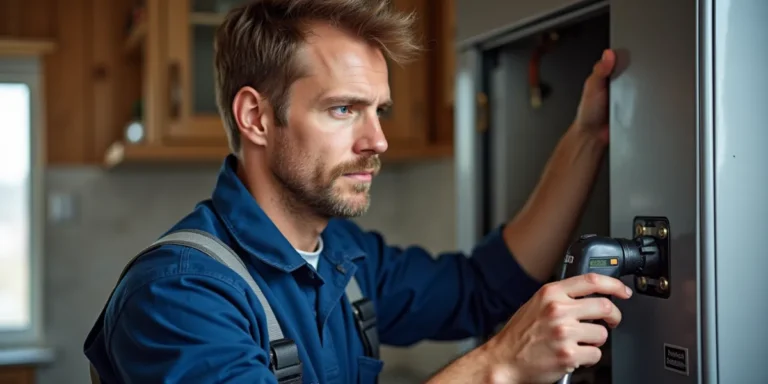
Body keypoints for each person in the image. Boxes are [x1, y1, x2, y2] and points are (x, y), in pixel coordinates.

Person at [83, 0, 632, 383]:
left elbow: (485, 286)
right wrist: (499, 366)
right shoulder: (177, 295)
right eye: (343, 109)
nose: (378, 140)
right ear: (255, 117)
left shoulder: (347, 260)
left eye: (379, 110)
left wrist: (588, 135)